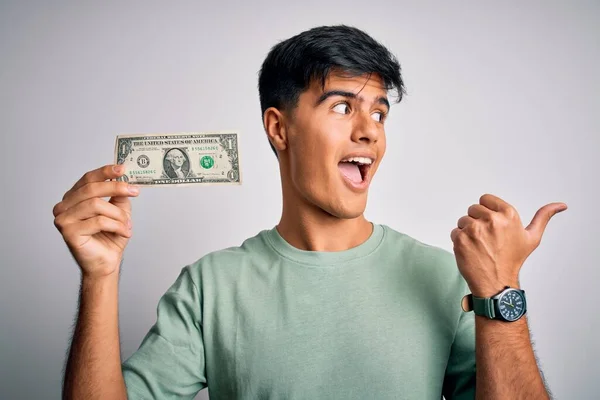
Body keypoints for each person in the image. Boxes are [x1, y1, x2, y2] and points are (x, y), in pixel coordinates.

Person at [54, 25, 565, 399]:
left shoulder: (448, 279)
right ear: (279, 129)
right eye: (343, 107)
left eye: (379, 112)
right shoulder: (211, 286)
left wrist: (500, 293)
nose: (369, 130)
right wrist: (100, 276)